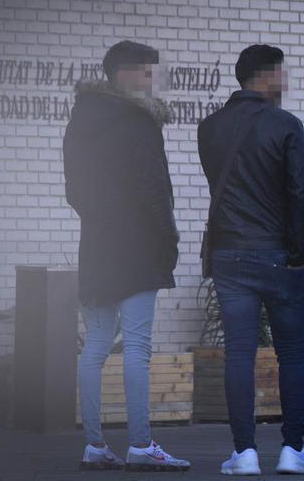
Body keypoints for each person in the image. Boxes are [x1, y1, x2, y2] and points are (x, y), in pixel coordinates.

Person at [63, 40, 189, 472]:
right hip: (137, 249)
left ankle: (95, 446)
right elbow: (155, 189)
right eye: (147, 72)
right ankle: (141, 445)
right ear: (125, 74)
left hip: (97, 247)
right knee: (137, 347)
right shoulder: (139, 120)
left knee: (96, 345)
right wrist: (168, 239)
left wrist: (102, 222)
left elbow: (74, 191)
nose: (153, 80)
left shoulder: (81, 119)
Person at [197, 45, 304, 476]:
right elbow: (300, 192)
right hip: (278, 255)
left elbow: (220, 186)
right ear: (266, 76)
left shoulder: (209, 127)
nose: (286, 81)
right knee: (291, 353)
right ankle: (292, 450)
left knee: (239, 354)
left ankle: (244, 452)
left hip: (229, 253)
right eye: (282, 73)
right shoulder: (286, 125)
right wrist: (298, 251)